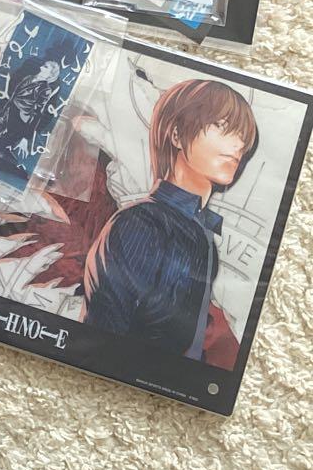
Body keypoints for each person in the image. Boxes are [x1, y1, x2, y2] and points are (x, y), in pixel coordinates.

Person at [83, 79, 258, 359]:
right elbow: (101, 339)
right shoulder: (141, 223)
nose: (238, 145)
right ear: (176, 134)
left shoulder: (202, 236)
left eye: (243, 137)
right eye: (222, 127)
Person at [0, 56, 63, 180]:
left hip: (17, 125)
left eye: (45, 67)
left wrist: (25, 137)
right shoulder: (28, 78)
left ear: (51, 74)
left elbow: (37, 114)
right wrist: (1, 114)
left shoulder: (45, 90)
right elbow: (13, 98)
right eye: (43, 65)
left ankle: (17, 169)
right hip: (5, 117)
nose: (41, 67)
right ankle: (5, 146)